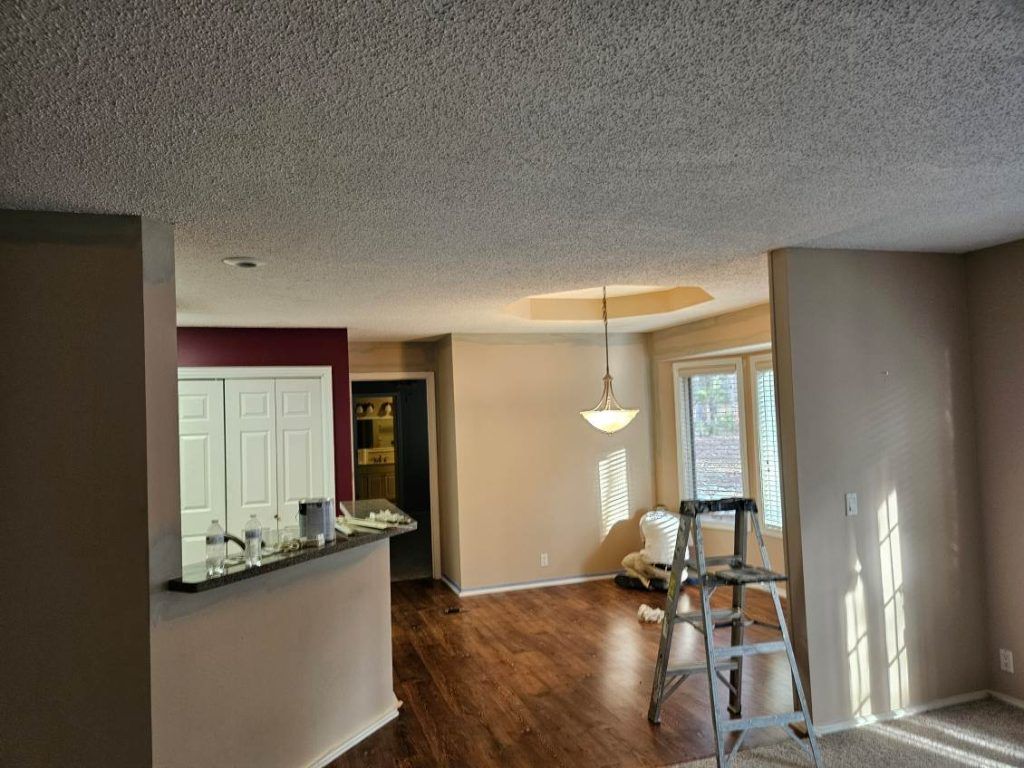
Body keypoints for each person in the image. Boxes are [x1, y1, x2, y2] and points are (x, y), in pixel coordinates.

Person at [615, 506, 687, 591]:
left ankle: (644, 581)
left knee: (625, 562)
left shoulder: (645, 519)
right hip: (678, 572)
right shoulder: (677, 521)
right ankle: (668, 584)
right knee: (683, 573)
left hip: (653, 569)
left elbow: (646, 545)